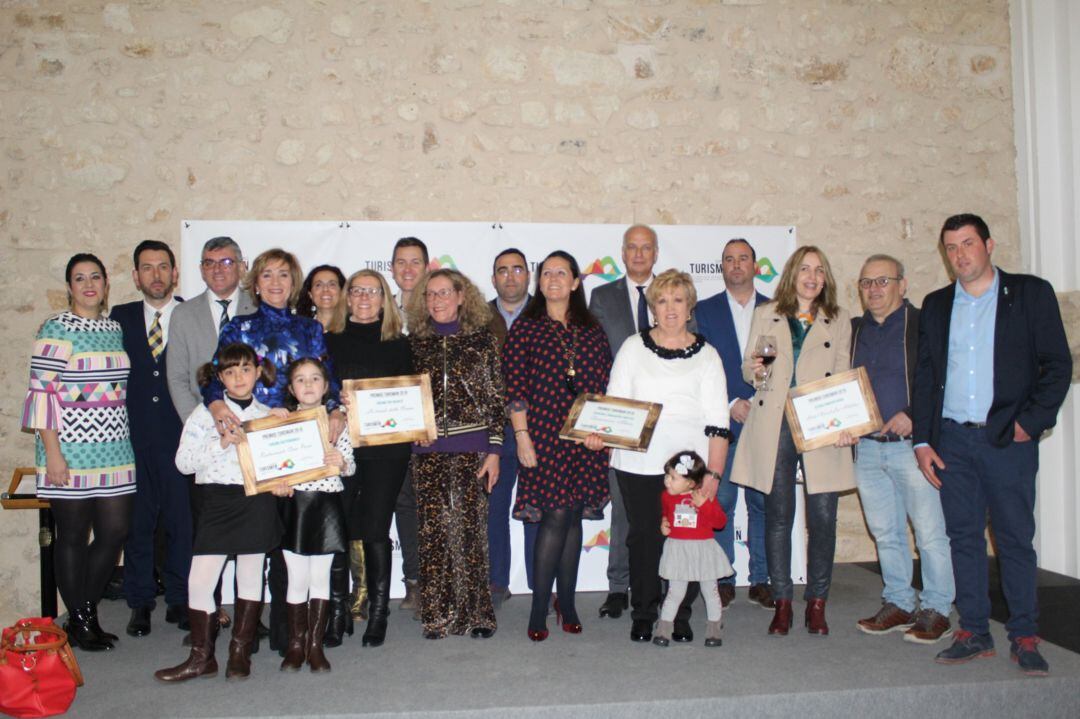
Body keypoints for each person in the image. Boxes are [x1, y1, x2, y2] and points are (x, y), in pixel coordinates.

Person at [913, 214, 1071, 675]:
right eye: (951, 247)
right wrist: (923, 440)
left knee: (1014, 540)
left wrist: (1030, 422)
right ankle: (974, 632)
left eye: (968, 244)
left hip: (1008, 439)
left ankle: (1024, 634)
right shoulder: (937, 304)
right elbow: (926, 377)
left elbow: (1056, 365)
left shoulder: (1029, 293)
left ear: (989, 245)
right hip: (952, 441)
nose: (960, 255)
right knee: (962, 537)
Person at [203, 248, 343, 655]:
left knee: (291, 545)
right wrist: (215, 405)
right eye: (268, 275)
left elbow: (326, 379)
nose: (276, 283)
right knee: (257, 542)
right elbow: (215, 377)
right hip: (254, 444)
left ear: (294, 281)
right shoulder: (239, 327)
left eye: (284, 275)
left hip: (299, 444)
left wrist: (333, 412)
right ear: (255, 282)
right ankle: (245, 638)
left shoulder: (309, 328)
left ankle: (292, 639)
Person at [732, 245, 854, 637]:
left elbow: (843, 374)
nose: (812, 276)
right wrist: (753, 370)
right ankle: (782, 601)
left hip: (821, 421)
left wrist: (846, 423)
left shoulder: (838, 319)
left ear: (826, 279)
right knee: (779, 516)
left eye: (819, 270)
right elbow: (751, 371)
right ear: (791, 274)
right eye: (805, 268)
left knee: (822, 518)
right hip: (774, 421)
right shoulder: (766, 313)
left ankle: (816, 603)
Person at [606, 268, 729, 644]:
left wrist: (712, 477)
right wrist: (601, 433)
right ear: (652, 307)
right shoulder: (632, 347)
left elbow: (719, 423)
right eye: (662, 300)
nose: (670, 308)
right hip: (638, 463)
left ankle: (680, 615)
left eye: (678, 300)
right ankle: (643, 613)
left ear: (690, 307)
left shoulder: (708, 355)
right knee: (644, 539)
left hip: (690, 471)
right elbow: (615, 406)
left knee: (688, 541)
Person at [22, 253, 136, 651]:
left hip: (116, 448)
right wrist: (53, 454)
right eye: (79, 278)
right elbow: (42, 395)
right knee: (71, 536)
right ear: (70, 287)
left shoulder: (114, 328)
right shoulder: (56, 329)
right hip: (68, 448)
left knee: (115, 532)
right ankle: (84, 619)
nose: (88, 284)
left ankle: (81, 612)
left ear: (106, 284)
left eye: (95, 277)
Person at [503, 251, 612, 642]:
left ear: (575, 282)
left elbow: (602, 389)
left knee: (573, 520)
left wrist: (604, 434)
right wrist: (521, 435)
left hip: (584, 440)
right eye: (546, 273)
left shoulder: (593, 330)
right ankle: (538, 608)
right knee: (555, 516)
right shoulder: (526, 328)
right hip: (542, 436)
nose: (552, 279)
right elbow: (514, 388)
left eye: (560, 273)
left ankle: (567, 603)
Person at [155, 343, 281, 682]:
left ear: (258, 372)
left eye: (245, 369)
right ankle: (201, 657)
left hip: (256, 501)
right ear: (220, 377)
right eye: (230, 371)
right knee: (199, 582)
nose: (238, 377)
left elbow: (284, 465)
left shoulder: (269, 414)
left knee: (251, 576)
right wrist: (221, 442)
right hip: (217, 502)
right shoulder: (203, 415)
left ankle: (240, 653)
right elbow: (183, 464)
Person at [851, 254, 954, 644]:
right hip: (868, 447)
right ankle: (898, 601)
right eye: (866, 283)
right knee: (886, 532)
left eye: (882, 281)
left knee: (929, 531)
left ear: (902, 284)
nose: (874, 290)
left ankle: (938, 607)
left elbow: (945, 377)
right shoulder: (855, 330)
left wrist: (914, 413)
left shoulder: (923, 324)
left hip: (912, 446)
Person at [406, 268, 503, 639]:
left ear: (462, 296)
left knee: (470, 533)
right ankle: (437, 615)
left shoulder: (482, 341)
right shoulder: (415, 344)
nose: (437, 301)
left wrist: (494, 449)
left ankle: (478, 614)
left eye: (444, 293)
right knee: (432, 535)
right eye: (430, 294)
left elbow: (496, 399)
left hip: (472, 450)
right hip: (426, 451)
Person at [325, 269, 413, 648]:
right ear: (347, 298)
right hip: (341, 447)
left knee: (376, 528)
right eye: (356, 291)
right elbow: (316, 389)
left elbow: (414, 400)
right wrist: (333, 406)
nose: (364, 297)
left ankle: (378, 613)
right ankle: (339, 612)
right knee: (340, 529)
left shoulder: (401, 344)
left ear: (384, 299)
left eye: (372, 291)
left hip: (387, 450)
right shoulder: (328, 342)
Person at [111, 240, 193, 639]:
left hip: (182, 437)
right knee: (138, 524)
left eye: (163, 267)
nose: (156, 275)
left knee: (182, 522)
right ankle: (140, 602)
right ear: (135, 276)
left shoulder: (192, 315)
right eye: (147, 268)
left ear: (175, 273)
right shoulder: (120, 318)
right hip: (134, 437)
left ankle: (179, 598)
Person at [694, 238, 773, 609]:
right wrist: (728, 404)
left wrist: (757, 403)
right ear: (721, 266)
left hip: (763, 424)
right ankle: (724, 577)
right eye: (729, 259)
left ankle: (762, 578)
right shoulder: (704, 311)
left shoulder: (778, 309)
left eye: (743, 259)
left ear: (755, 265)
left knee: (760, 504)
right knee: (721, 502)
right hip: (722, 422)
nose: (736, 265)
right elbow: (700, 365)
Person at [587, 224, 660, 620]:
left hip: (664, 420)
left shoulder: (671, 293)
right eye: (631, 247)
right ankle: (618, 587)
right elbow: (596, 357)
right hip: (619, 418)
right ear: (622, 252)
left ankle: (660, 582)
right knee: (623, 505)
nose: (638, 254)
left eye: (645, 247)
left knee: (661, 505)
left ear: (655, 252)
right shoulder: (601, 296)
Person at [274, 358, 353, 673]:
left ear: (325, 386)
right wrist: (275, 481)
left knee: (320, 580)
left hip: (326, 507)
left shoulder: (337, 423)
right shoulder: (280, 422)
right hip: (295, 506)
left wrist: (341, 463)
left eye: (315, 379)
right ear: (292, 388)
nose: (308, 385)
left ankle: (315, 646)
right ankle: (295, 645)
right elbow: (268, 464)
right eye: (301, 380)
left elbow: (351, 464)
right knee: (296, 580)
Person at [298, 263, 355, 645]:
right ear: (308, 292)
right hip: (301, 438)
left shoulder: (353, 332)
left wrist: (341, 410)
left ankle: (339, 612)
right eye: (318, 284)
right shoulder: (302, 332)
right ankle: (302, 623)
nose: (326, 290)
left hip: (343, 435)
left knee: (338, 534)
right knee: (300, 542)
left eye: (333, 284)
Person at [486, 247, 537, 606]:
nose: (510, 276)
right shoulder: (477, 316)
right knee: (493, 508)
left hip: (541, 429)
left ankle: (542, 583)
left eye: (517, 269)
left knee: (539, 509)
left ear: (528, 275)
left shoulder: (546, 312)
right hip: (495, 430)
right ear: (493, 279)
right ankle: (495, 582)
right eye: (502, 270)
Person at [166, 236, 255, 423]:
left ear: (241, 267)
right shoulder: (183, 314)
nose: (217, 269)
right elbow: (177, 378)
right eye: (209, 263)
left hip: (256, 422)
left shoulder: (259, 309)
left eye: (226, 262)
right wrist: (198, 426)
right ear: (201, 270)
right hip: (203, 423)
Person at [653, 451, 732, 648]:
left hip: (702, 550)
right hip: (678, 550)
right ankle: (664, 628)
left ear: (690, 483)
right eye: (667, 476)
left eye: (673, 478)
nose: (667, 481)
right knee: (674, 592)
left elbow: (720, 522)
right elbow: (666, 513)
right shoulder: (666, 496)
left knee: (710, 591)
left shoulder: (704, 497)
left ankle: (714, 628)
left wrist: (704, 505)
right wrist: (664, 522)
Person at [390, 237, 428, 615]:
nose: (407, 269)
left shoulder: (440, 308)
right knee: (405, 503)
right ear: (392, 269)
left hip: (436, 426)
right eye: (401, 262)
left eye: (415, 262)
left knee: (434, 504)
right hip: (393, 424)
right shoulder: (382, 311)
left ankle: (441, 580)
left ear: (427, 267)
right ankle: (414, 582)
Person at [299, 265, 347, 333]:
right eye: (318, 285)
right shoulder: (300, 330)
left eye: (332, 284)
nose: (325, 289)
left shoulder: (353, 329)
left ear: (342, 292)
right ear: (310, 294)